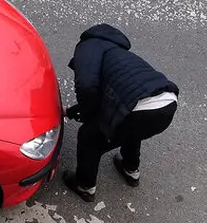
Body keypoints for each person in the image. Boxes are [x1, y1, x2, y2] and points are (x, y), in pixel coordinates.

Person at [61, 23, 179, 202]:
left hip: (138, 108)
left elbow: (86, 86)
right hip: (167, 103)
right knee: (130, 127)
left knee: (89, 136)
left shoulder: (89, 45)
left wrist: (87, 116)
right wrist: (70, 112)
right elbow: (106, 98)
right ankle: (130, 169)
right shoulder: (119, 54)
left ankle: (84, 185)